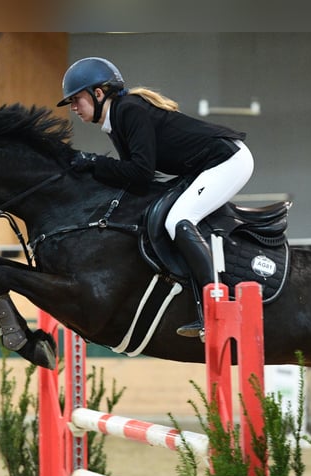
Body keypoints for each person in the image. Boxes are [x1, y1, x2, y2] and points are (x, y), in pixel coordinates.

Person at [57, 57, 254, 339]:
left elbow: (140, 172)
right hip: (205, 166)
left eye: (76, 99)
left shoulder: (129, 111)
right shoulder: (116, 119)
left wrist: (92, 163)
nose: (73, 107)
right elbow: (135, 181)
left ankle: (218, 307)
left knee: (179, 219)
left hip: (228, 160)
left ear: (98, 93)